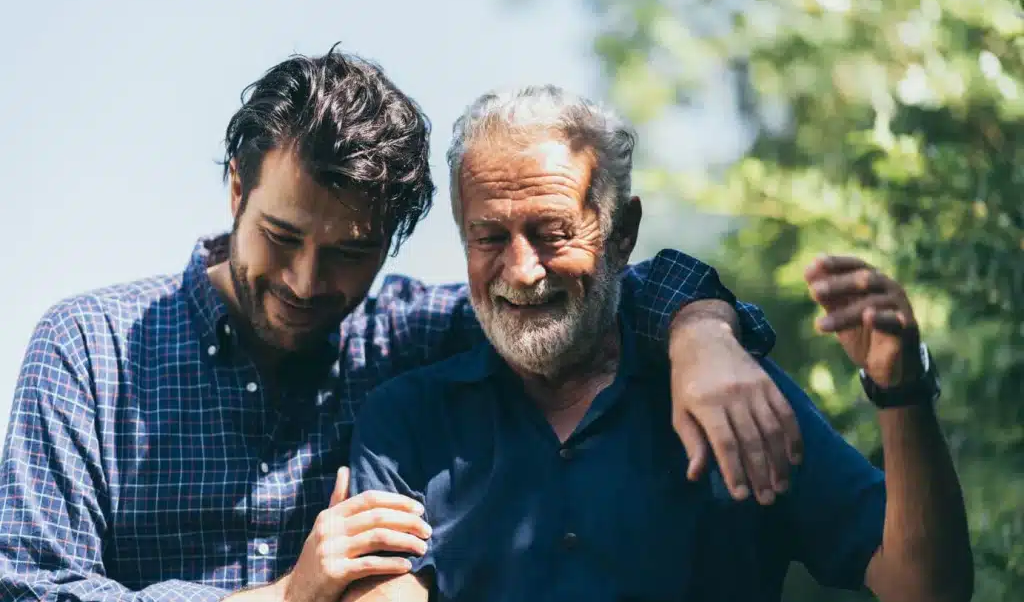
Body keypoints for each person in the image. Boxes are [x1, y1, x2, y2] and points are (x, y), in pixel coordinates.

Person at [0, 49, 799, 602]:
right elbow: (32, 588)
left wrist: (703, 332)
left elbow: (589, 285)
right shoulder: (86, 350)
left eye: (349, 252)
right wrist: (288, 593)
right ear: (235, 188)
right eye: (282, 237)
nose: (308, 282)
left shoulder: (408, 337)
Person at [344, 85, 974, 602]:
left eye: (552, 233)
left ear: (622, 233)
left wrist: (902, 388)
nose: (522, 269)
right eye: (488, 237)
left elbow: (927, 588)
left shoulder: (736, 391)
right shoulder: (408, 419)